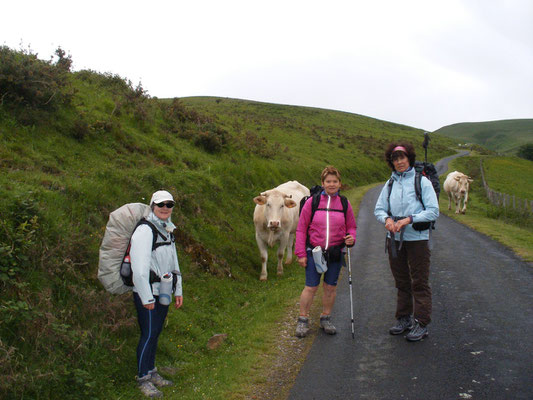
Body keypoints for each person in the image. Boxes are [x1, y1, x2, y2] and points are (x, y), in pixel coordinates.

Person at [374, 142, 439, 342]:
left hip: (417, 239)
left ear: (409, 158)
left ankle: (421, 323)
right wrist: (387, 220)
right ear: (391, 162)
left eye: (402, 158)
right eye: (395, 159)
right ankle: (404, 319)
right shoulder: (390, 183)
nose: (399, 162)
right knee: (401, 281)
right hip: (394, 238)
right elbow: (379, 208)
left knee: (419, 281)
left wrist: (409, 219)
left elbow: (433, 210)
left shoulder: (422, 181)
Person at [130, 190, 183, 397]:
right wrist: (146, 297)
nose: (165, 208)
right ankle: (143, 379)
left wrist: (177, 290)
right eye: (161, 204)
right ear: (152, 206)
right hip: (149, 293)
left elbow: (174, 263)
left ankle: (152, 372)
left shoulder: (167, 229)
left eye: (169, 205)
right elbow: (140, 269)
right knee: (149, 333)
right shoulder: (145, 231)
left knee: (156, 332)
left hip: (163, 291)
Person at [294, 166, 357, 337]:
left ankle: (326, 318)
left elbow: (351, 226)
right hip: (314, 252)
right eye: (328, 181)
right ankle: (303, 320)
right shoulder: (312, 202)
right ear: (322, 183)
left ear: (339, 183)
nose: (331, 184)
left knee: (330, 287)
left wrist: (351, 237)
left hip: (336, 253)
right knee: (311, 287)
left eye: (334, 181)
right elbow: (301, 229)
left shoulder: (344, 203)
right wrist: (300, 253)